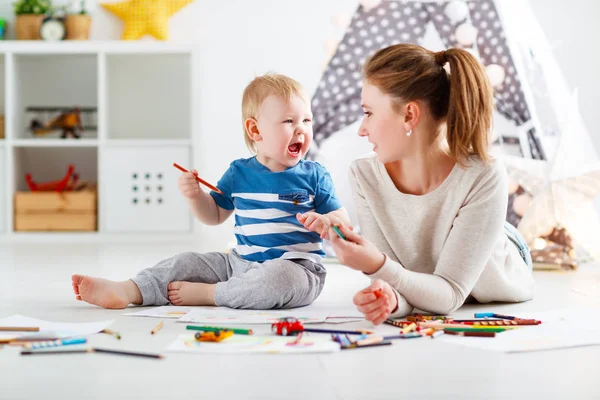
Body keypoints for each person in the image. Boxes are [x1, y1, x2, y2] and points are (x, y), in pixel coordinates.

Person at [72, 73, 350, 309]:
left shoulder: (314, 174)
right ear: (255, 130)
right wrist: (195, 197)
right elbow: (214, 215)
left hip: (298, 269)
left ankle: (212, 295)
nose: (301, 129)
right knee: (186, 262)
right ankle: (130, 290)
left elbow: (343, 222)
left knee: (279, 280)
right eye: (289, 121)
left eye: (307, 121)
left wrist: (328, 222)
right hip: (239, 265)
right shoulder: (239, 173)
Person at [328, 44, 535, 324]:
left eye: (369, 113)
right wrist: (387, 300)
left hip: (494, 260)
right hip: (432, 275)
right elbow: (395, 283)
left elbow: (449, 294)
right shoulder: (364, 174)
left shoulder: (484, 174)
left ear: (410, 115)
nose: (362, 129)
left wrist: (376, 264)